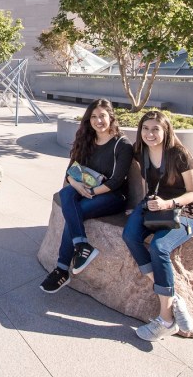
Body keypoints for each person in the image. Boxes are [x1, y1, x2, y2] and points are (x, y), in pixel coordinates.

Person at [122, 110, 193, 342]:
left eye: (155, 129)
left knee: (159, 247)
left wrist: (169, 203)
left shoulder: (179, 154)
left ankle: (166, 320)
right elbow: (143, 181)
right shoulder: (141, 150)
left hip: (182, 211)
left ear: (166, 130)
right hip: (153, 204)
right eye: (145, 129)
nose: (150, 134)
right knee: (130, 235)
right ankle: (173, 298)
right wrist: (139, 206)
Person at [40, 99, 134, 293]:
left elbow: (116, 181)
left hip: (112, 196)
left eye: (102, 116)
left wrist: (90, 192)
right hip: (85, 188)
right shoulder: (87, 140)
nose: (98, 121)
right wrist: (76, 185)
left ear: (111, 117)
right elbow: (71, 172)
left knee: (76, 211)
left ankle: (62, 269)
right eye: (94, 117)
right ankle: (82, 245)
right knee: (66, 192)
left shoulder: (122, 144)